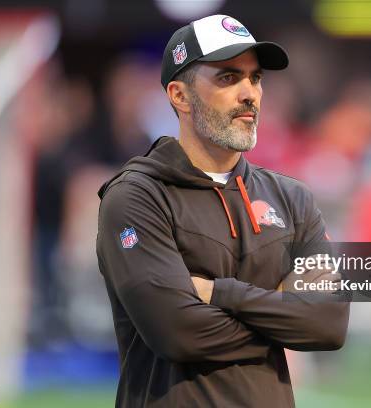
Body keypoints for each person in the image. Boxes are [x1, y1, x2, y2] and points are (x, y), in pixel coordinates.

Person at [96, 14, 350, 408]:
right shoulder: (136, 197)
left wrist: (216, 292)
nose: (249, 93)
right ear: (180, 96)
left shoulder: (292, 197)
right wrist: (282, 310)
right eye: (228, 78)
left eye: (256, 78)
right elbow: (177, 332)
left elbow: (329, 324)